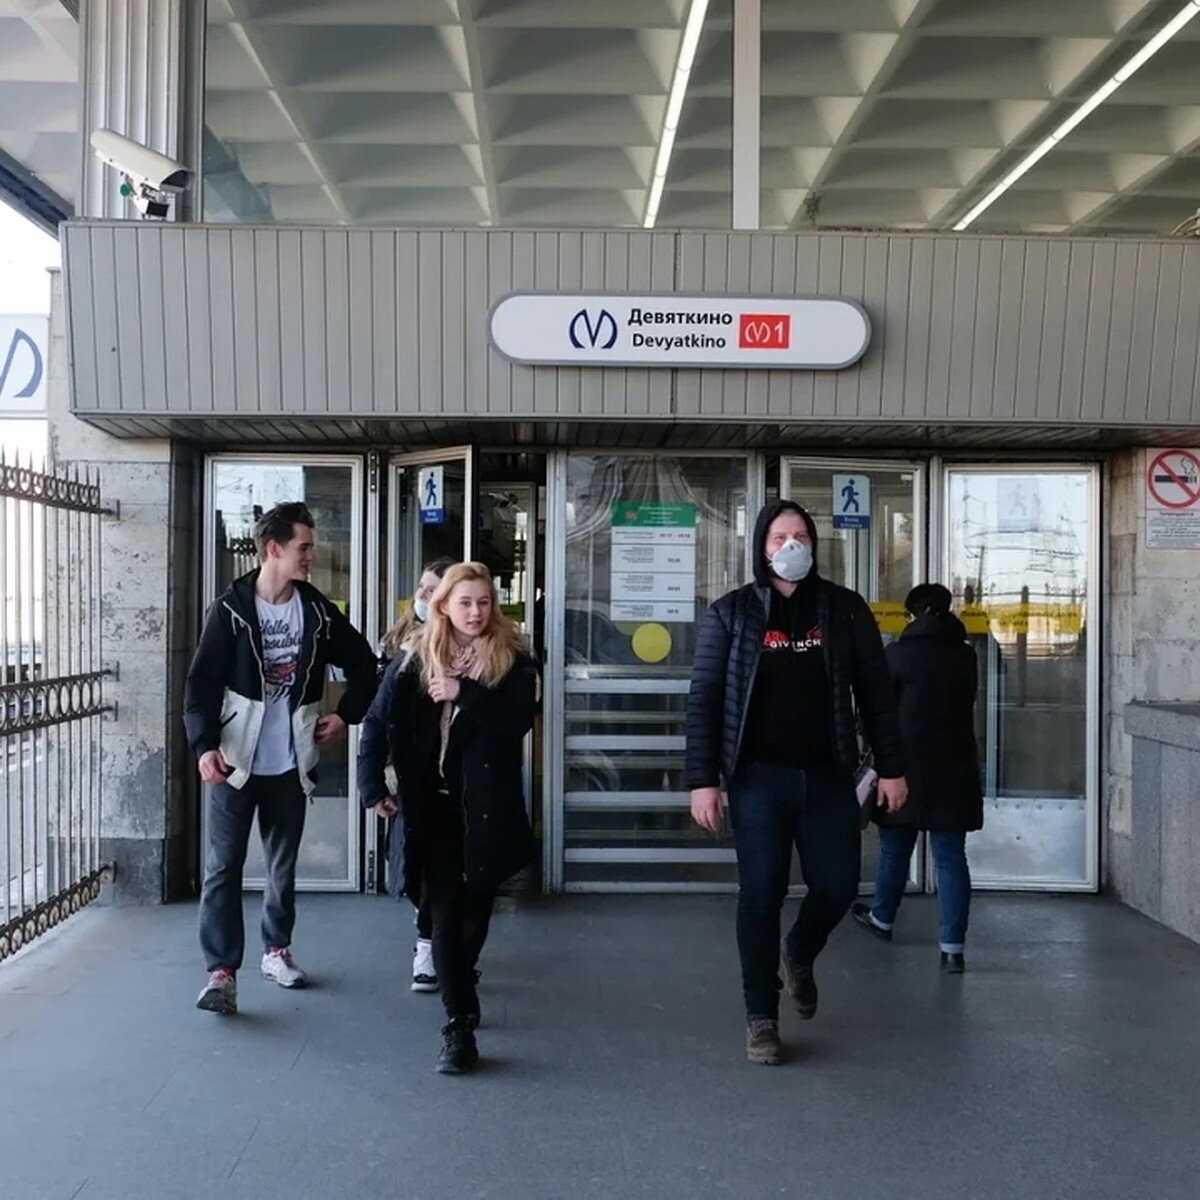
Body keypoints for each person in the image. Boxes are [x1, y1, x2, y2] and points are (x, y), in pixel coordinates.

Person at [685, 500, 908, 1066]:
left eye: (801, 535)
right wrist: (701, 781)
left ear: (814, 543)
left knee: (836, 888)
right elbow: (705, 701)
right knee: (760, 894)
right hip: (757, 779)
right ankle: (761, 1016)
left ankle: (800, 950)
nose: (791, 545)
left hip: (829, 775)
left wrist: (894, 766)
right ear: (761, 546)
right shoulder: (731, 613)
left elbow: (878, 695)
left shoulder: (843, 610)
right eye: (779, 536)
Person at [184, 502, 378, 1016]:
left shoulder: (315, 610)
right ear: (274, 549)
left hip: (291, 763)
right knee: (223, 868)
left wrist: (346, 716)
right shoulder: (228, 609)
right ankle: (221, 972)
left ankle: (276, 951)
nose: (311, 556)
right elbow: (200, 684)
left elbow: (364, 664)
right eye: (304, 547)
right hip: (235, 762)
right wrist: (204, 746)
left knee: (281, 866)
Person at [357, 562, 538, 1075]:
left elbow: (516, 723)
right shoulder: (414, 657)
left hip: (483, 807)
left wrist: (466, 693)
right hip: (429, 804)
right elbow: (375, 723)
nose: (475, 612)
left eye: (483, 603)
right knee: (442, 909)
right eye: (465, 603)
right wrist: (372, 785)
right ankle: (458, 1025)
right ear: (443, 607)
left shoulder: (514, 661)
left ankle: (462, 975)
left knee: (475, 910)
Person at [852, 583, 982, 973]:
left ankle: (882, 919)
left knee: (895, 848)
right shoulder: (966, 657)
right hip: (954, 770)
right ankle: (952, 948)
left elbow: (878, 711)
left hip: (903, 769)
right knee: (950, 857)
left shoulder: (898, 655)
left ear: (912, 615)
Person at [378, 556, 456, 993]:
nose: (422, 597)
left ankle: (429, 943)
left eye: (432, 590)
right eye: (422, 587)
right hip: (403, 774)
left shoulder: (465, 648)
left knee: (435, 868)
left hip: (441, 779)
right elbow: (378, 715)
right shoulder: (400, 646)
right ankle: (426, 921)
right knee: (408, 865)